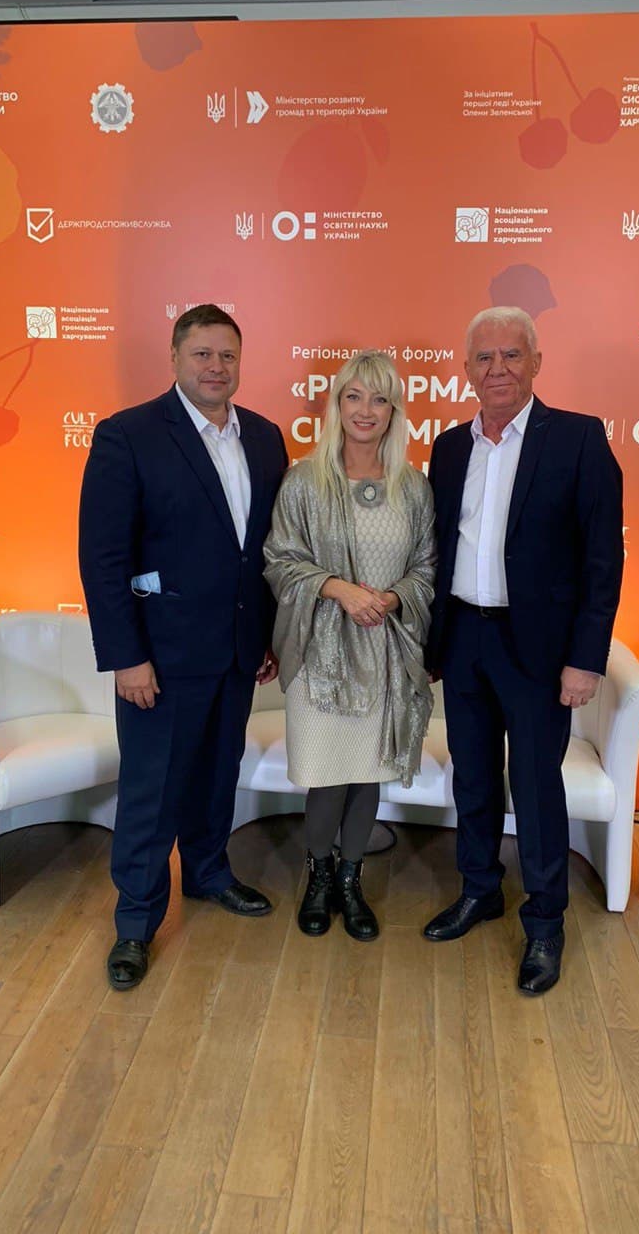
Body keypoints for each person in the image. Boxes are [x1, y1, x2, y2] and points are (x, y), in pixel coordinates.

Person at [79, 303, 288, 990]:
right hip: (159, 659)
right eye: (202, 354)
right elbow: (103, 559)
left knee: (216, 775)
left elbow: (263, 552)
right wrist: (126, 657)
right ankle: (136, 923)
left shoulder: (265, 438)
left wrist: (266, 636)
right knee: (151, 791)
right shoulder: (128, 435)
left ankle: (207, 873)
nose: (215, 367)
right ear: (174, 358)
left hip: (237, 651)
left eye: (227, 355)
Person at [424, 307, 623, 994]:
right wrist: (431, 643)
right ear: (466, 368)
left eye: (512, 355)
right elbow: (439, 547)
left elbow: (602, 560)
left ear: (536, 362)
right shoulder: (449, 448)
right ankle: (480, 890)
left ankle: (544, 923)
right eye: (484, 358)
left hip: (539, 650)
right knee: (473, 776)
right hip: (464, 637)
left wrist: (586, 658)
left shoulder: (577, 439)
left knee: (536, 785)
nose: (498, 369)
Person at [264, 350, 435, 941]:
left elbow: (426, 567)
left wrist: (389, 599)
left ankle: (350, 879)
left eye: (380, 398)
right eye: (354, 396)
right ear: (337, 405)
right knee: (327, 774)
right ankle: (318, 875)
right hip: (321, 655)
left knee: (367, 774)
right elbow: (280, 560)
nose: (366, 410)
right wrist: (338, 589)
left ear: (394, 412)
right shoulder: (303, 482)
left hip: (385, 651)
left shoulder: (414, 488)